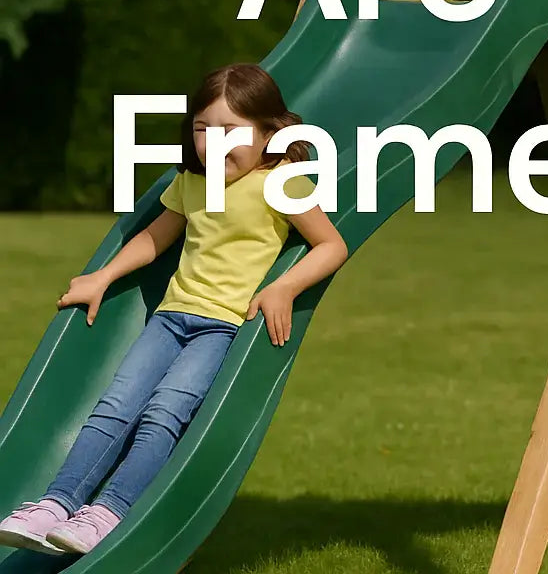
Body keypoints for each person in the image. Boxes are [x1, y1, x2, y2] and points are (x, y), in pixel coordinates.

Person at [0, 63, 348, 556]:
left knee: (164, 413)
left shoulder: (281, 183)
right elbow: (155, 237)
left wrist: (284, 288)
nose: (215, 143)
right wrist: (103, 276)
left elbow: (330, 245)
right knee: (115, 406)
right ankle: (54, 505)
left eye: (232, 132)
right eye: (204, 130)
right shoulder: (192, 181)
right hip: (170, 317)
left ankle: (108, 512)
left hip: (222, 327)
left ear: (269, 133)